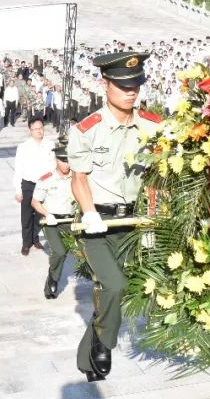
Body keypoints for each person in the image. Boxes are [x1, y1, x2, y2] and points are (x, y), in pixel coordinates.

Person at [68, 51, 160, 381]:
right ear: (105, 84)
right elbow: (79, 178)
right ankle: (105, 343)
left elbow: (157, 177)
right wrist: (90, 212)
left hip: (131, 223)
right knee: (114, 285)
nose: (131, 91)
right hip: (96, 224)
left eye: (135, 84)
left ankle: (87, 358)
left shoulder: (152, 127)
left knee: (113, 293)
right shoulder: (87, 129)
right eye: (123, 85)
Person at [31, 145, 76, 299]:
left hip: (71, 219)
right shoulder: (47, 179)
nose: (66, 164)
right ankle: (53, 279)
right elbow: (35, 202)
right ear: (56, 160)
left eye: (68, 161)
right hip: (51, 221)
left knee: (87, 249)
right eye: (63, 161)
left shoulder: (77, 178)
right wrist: (46, 214)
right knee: (59, 251)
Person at [12, 116, 55, 255]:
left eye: (41, 128)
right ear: (30, 130)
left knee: (39, 214)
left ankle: (35, 238)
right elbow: (18, 169)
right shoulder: (24, 147)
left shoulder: (50, 145)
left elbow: (53, 166)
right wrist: (18, 190)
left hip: (44, 185)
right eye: (35, 129)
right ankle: (26, 243)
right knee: (26, 215)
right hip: (28, 184)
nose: (39, 131)